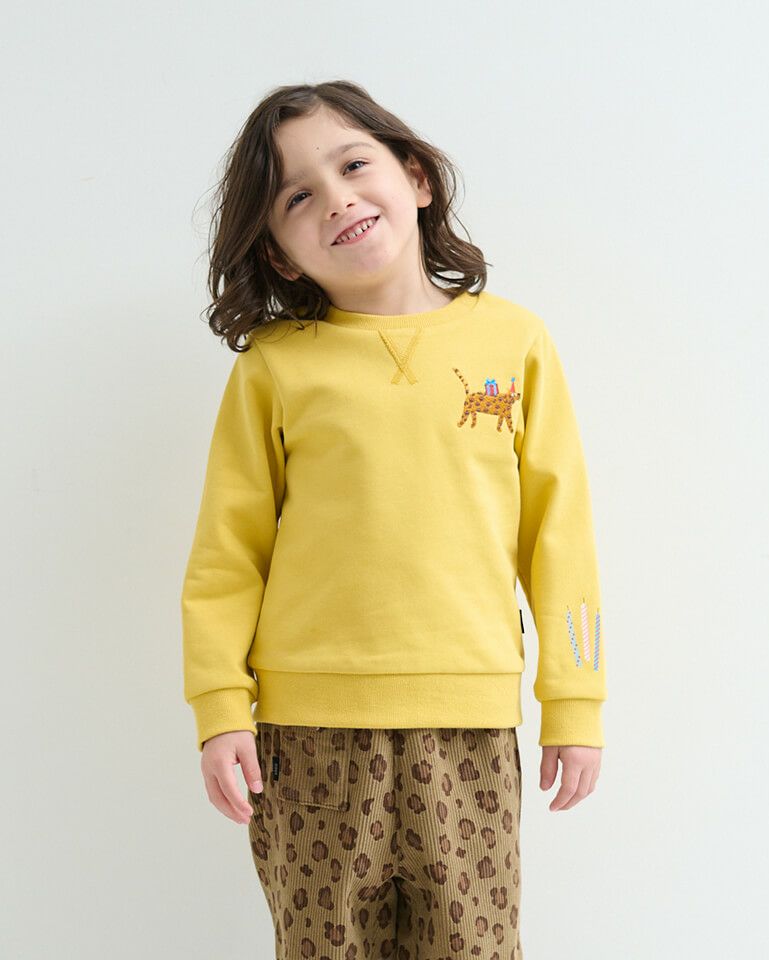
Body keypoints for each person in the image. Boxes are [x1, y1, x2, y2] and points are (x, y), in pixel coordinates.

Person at [181, 79, 607, 958]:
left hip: (471, 730)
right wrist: (220, 707)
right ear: (281, 256)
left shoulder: (516, 343)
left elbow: (560, 541)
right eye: (297, 198)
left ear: (415, 177)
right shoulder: (273, 370)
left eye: (352, 166)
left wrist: (576, 700)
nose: (336, 199)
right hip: (305, 740)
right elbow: (227, 556)